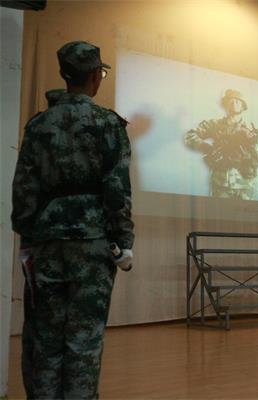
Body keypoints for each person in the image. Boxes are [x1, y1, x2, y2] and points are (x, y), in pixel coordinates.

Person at [11, 40, 134, 399]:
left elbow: (24, 189)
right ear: (95, 75)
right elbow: (117, 189)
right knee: (84, 340)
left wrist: (28, 236)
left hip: (46, 243)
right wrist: (124, 242)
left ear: (65, 75)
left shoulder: (39, 124)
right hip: (93, 245)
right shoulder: (107, 123)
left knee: (44, 339)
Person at [184, 89, 258, 200]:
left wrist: (253, 143)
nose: (234, 102)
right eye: (230, 100)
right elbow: (189, 136)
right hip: (220, 184)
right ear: (225, 104)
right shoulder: (215, 125)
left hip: (244, 186)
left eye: (237, 101)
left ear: (243, 106)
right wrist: (206, 147)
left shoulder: (249, 130)